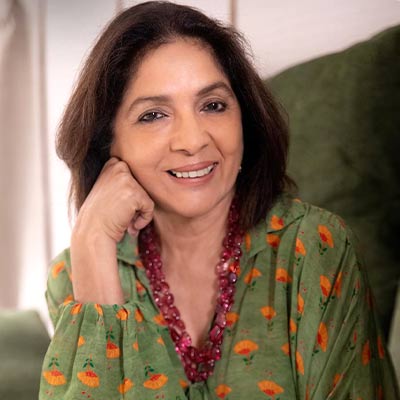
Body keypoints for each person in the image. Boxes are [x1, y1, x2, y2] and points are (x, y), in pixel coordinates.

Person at [39, 1, 399, 399]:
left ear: (244, 119)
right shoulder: (77, 273)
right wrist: (92, 243)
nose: (193, 140)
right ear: (107, 142)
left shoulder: (315, 248)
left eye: (213, 106)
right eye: (153, 115)